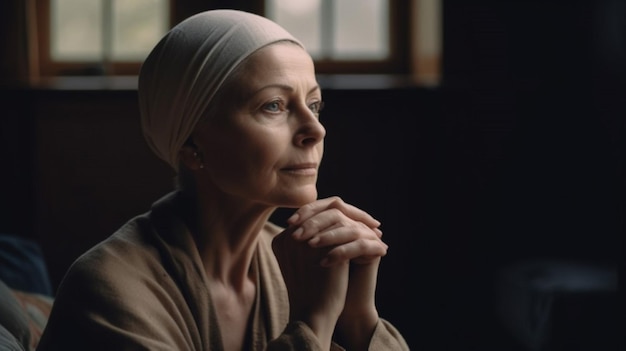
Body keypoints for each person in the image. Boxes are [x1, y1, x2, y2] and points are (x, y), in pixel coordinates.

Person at [37, 9, 409, 351]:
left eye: (313, 105)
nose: (315, 130)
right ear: (190, 144)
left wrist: (357, 319)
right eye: (273, 105)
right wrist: (312, 324)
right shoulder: (110, 290)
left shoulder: (303, 263)